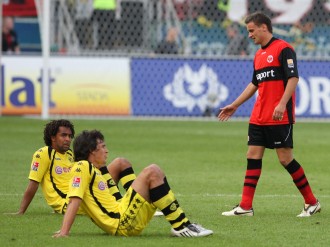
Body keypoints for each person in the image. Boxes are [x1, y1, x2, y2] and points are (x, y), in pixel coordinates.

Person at [218, 12, 320, 217]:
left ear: (264, 27)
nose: (249, 35)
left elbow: (293, 79)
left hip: (278, 116)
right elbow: (255, 83)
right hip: (259, 116)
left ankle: (312, 202)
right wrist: (235, 105)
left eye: (251, 30)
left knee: (285, 159)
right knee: (252, 156)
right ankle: (245, 206)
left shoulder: (284, 49)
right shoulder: (258, 55)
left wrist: (282, 104)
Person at [53, 130, 213, 237]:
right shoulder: (82, 167)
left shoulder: (96, 170)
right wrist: (64, 232)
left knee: (149, 171)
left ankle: (183, 224)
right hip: (120, 223)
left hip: (121, 213)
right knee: (152, 171)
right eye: (102, 147)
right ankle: (181, 227)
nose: (107, 150)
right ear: (91, 151)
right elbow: (75, 199)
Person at [12, 119, 137, 215]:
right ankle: (126, 205)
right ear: (53, 137)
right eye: (63, 135)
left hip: (83, 192)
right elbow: (33, 183)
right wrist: (21, 211)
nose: (68, 139)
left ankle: (134, 200)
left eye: (70, 136)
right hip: (71, 202)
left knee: (121, 163)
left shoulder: (70, 154)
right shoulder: (44, 153)